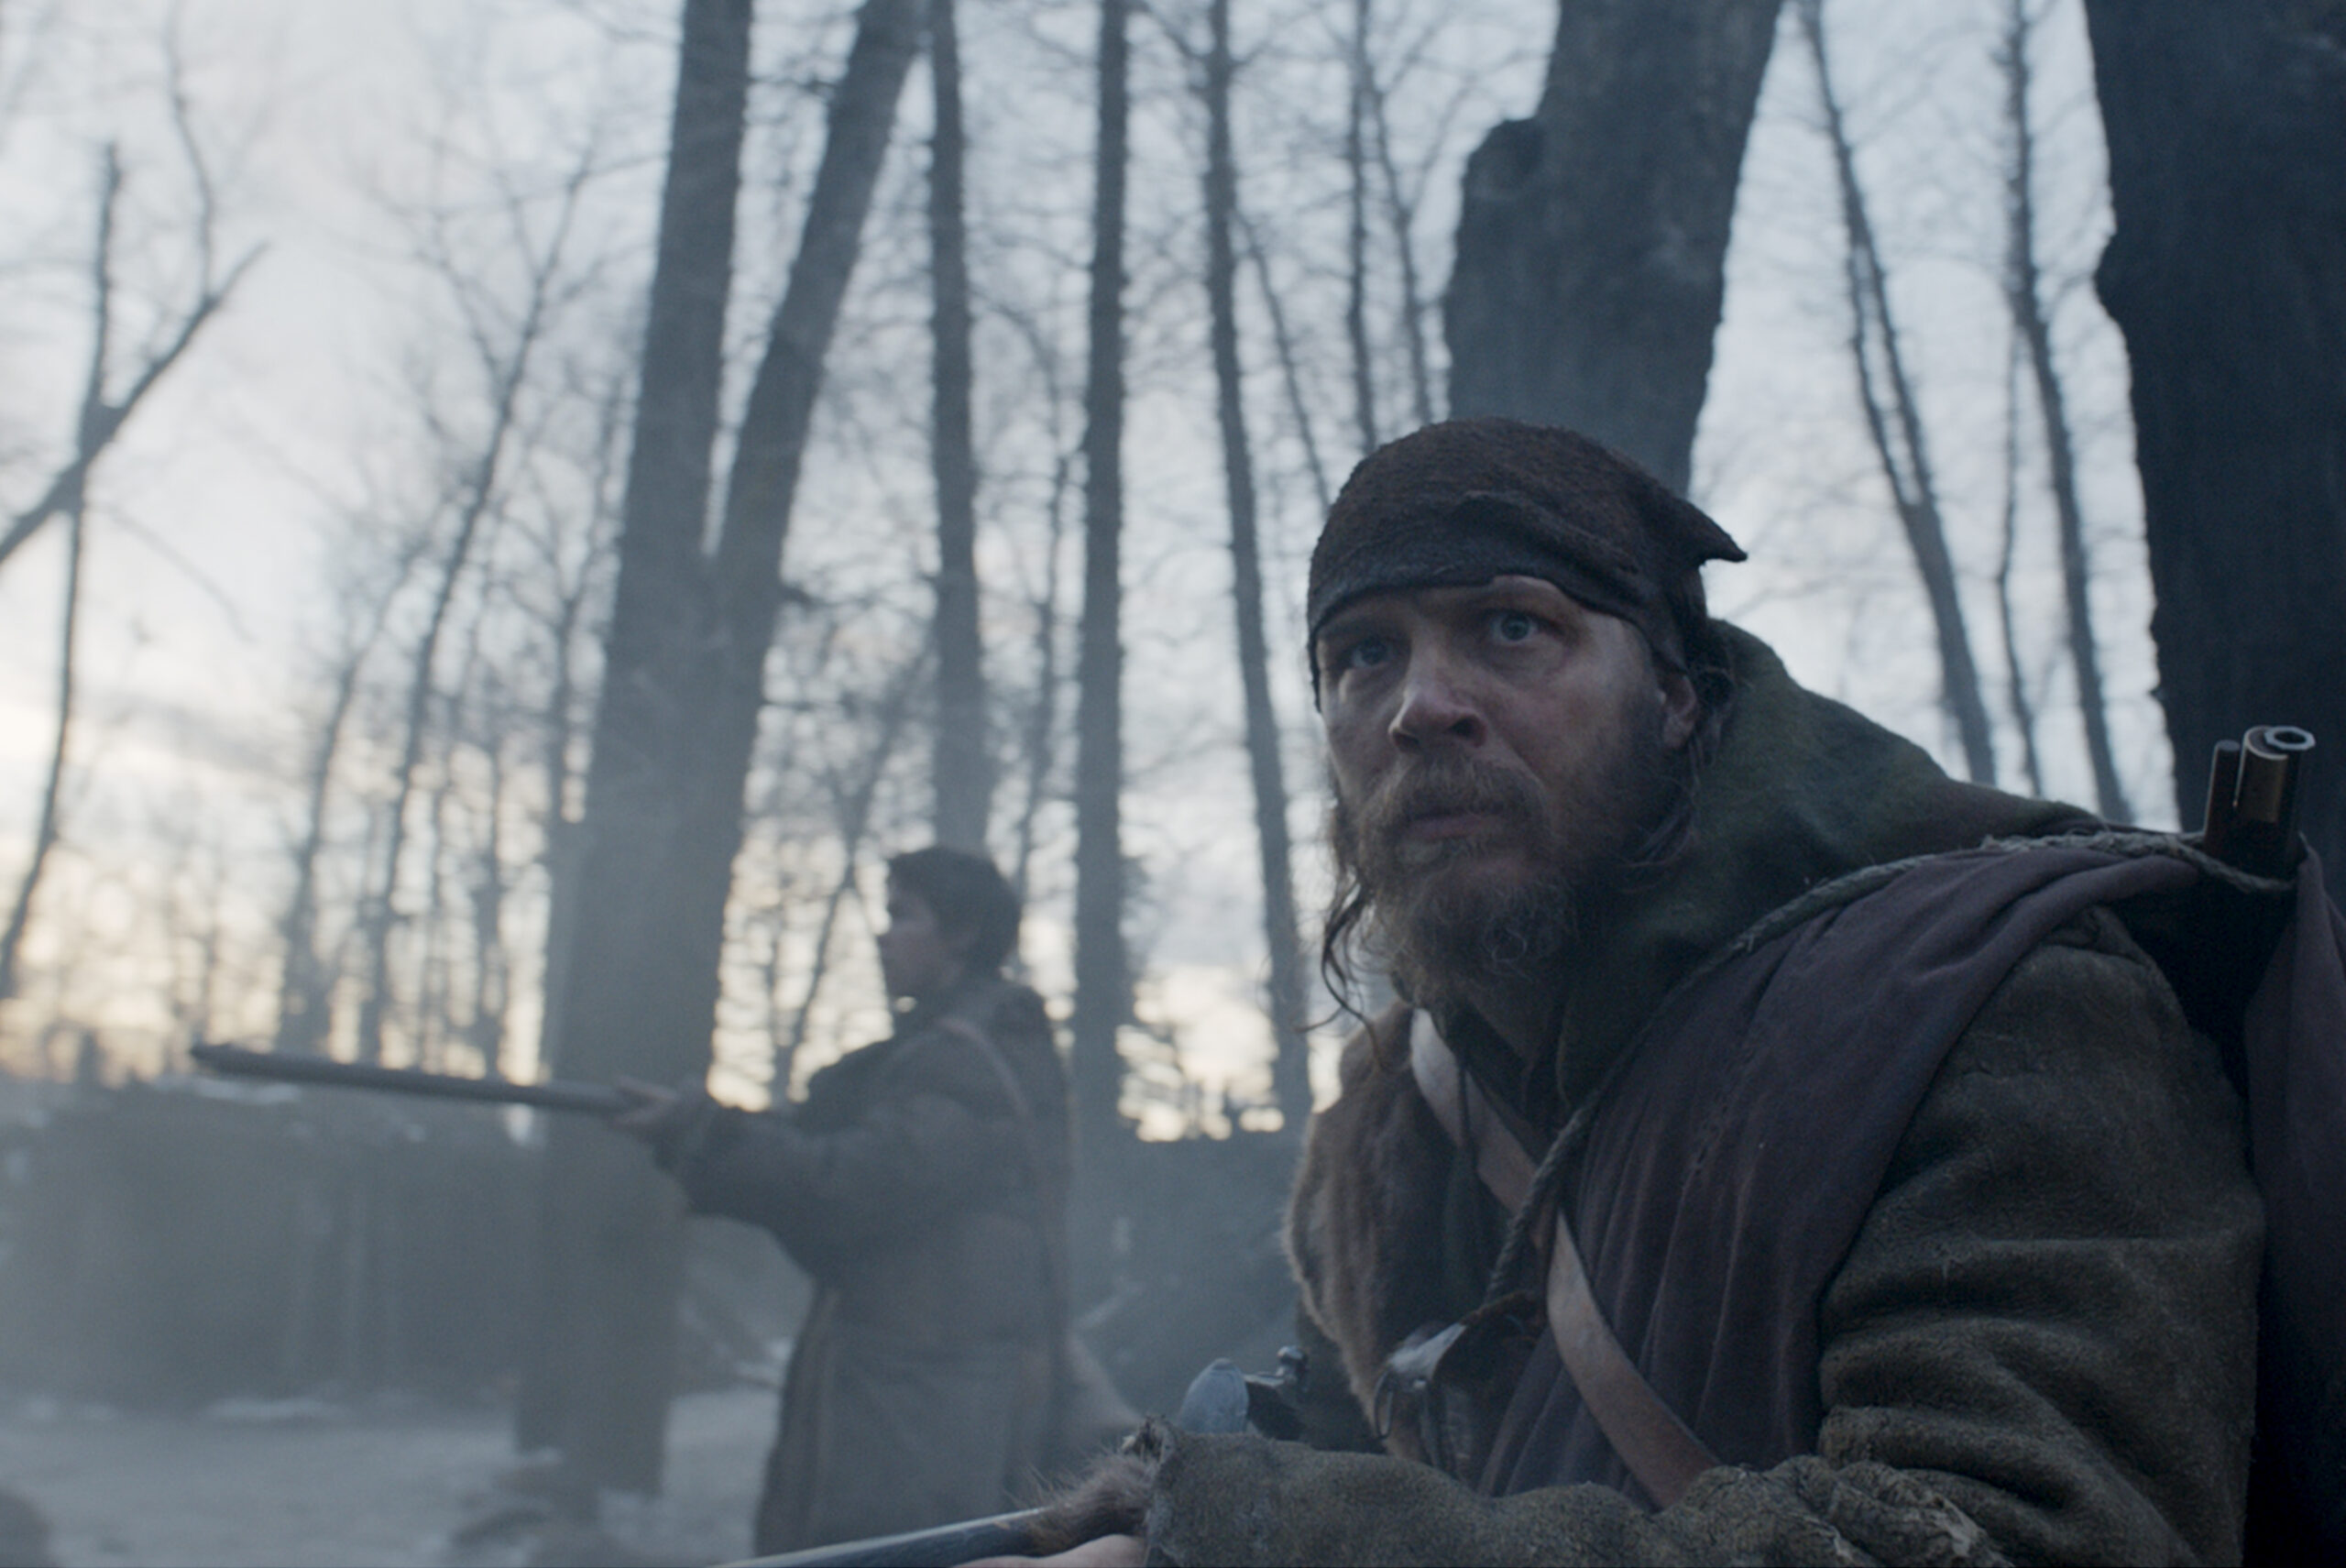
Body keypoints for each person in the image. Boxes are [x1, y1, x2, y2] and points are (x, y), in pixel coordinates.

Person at [1009, 418, 2323, 1565]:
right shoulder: (1400, 1111)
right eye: (1363, 654)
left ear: (1678, 694)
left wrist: (1264, 1537)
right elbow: (1362, 1457)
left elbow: (2014, 1539)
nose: (1421, 704)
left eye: (1511, 626)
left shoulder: (1995, 1001)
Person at [616, 846, 1070, 1557]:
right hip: (913, 1389)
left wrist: (698, 1132)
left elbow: (851, 1182)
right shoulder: (955, 1048)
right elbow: (844, 1154)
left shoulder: (970, 1059)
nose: (883, 935)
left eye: (903, 915)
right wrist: (702, 1127)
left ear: (963, 932)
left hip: (920, 1405)